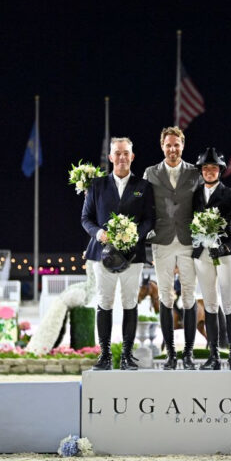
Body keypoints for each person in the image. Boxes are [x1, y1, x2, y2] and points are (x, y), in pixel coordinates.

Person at [81, 137, 155, 370]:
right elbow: (86, 219)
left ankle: (126, 356)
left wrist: (135, 235)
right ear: (110, 157)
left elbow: (150, 220)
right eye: (117, 153)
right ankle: (104, 356)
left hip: (133, 256)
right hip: (101, 254)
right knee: (104, 302)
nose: (122, 157)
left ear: (132, 157)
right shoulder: (97, 185)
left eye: (126, 153)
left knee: (130, 302)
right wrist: (99, 233)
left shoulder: (144, 187)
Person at [191, 147, 231, 370]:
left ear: (220, 170)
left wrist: (228, 245)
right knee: (209, 304)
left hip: (226, 255)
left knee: (229, 303)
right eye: (206, 168)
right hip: (202, 255)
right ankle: (214, 355)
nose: (209, 171)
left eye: (213, 168)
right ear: (201, 171)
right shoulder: (194, 195)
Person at [143, 126, 201, 370]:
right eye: (168, 144)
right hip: (162, 240)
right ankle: (170, 354)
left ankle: (188, 353)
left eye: (176, 144)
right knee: (165, 296)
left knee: (189, 297)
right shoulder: (150, 172)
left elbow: (203, 205)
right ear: (162, 146)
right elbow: (144, 206)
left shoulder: (195, 172)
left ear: (183, 146)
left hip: (189, 241)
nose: (172, 149)